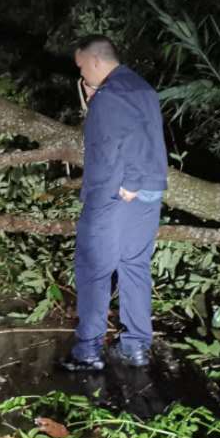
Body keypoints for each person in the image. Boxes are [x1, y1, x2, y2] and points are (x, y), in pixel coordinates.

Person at [59, 36, 168, 372]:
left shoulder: (112, 95)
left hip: (115, 194)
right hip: (149, 192)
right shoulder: (141, 88)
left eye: (81, 67)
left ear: (94, 61)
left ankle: (88, 350)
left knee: (94, 268)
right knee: (134, 265)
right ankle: (135, 347)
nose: (81, 75)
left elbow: (132, 139)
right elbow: (141, 131)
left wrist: (131, 182)